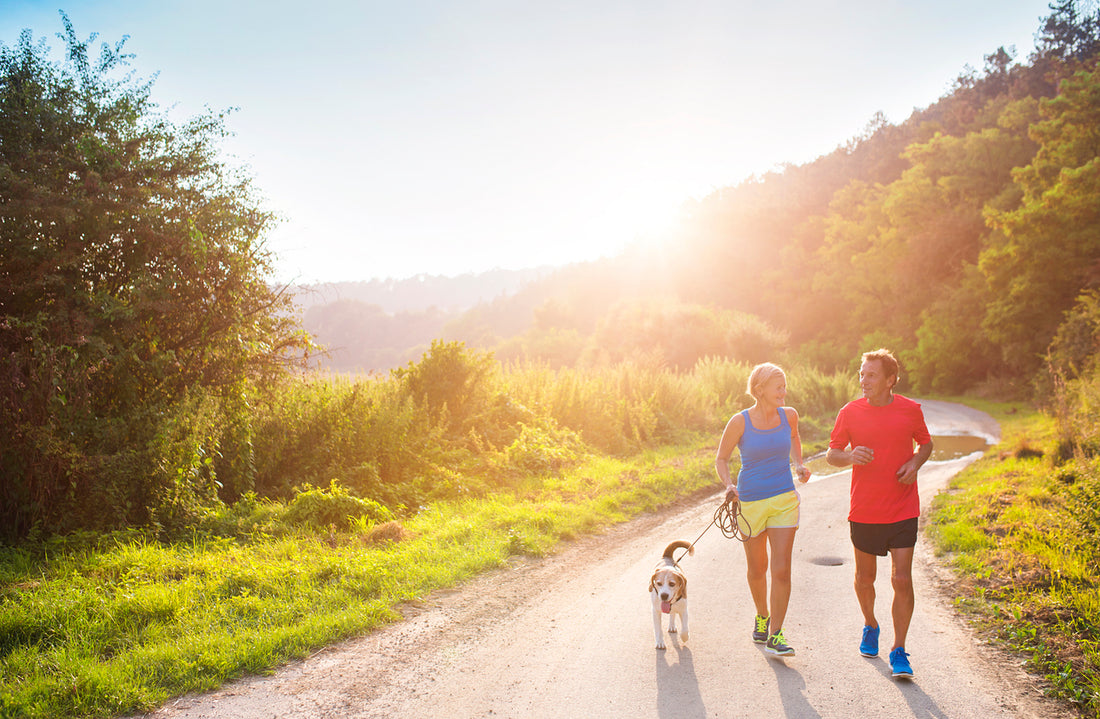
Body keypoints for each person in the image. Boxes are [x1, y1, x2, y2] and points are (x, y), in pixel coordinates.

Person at [826, 348, 932, 679]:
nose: (864, 381)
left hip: (902, 505)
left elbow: (925, 444)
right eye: (862, 374)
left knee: (901, 578)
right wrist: (849, 456)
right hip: (865, 508)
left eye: (871, 375)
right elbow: (832, 454)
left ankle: (899, 648)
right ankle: (870, 624)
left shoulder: (910, 410)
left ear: (890, 380)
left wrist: (915, 463)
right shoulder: (850, 412)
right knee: (864, 578)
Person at [715, 362, 812, 657]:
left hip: (784, 499)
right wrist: (729, 485)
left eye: (784, 386)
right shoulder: (740, 422)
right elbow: (721, 459)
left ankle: (776, 635)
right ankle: (762, 615)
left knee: (781, 570)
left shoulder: (790, 416)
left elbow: (794, 437)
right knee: (758, 568)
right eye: (778, 387)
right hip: (751, 502)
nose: (784, 392)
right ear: (760, 390)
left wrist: (798, 463)